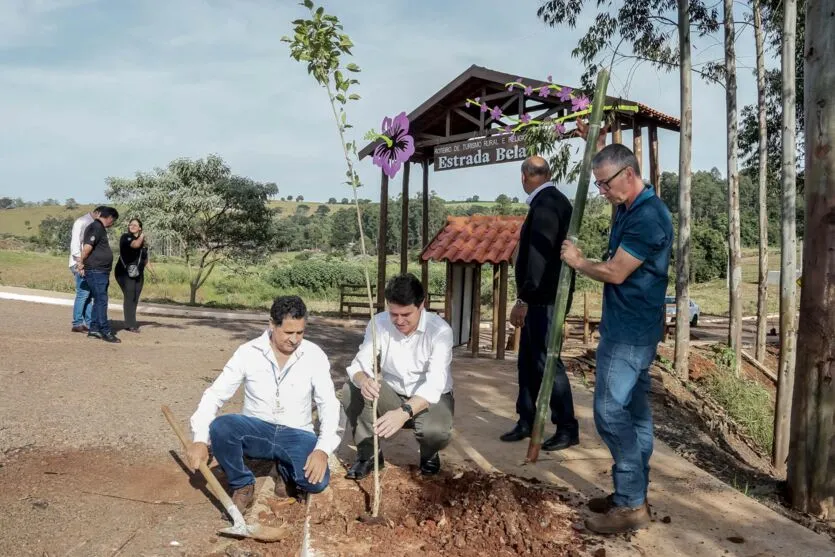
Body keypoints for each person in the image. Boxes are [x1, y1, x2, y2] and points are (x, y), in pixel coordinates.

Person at [560, 119, 673, 534]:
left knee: (608, 412)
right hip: (632, 327)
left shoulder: (648, 217)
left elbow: (616, 272)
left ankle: (630, 504)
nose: (601, 191)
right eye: (598, 184)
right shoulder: (629, 207)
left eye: (604, 183)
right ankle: (634, 493)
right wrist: (595, 137)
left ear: (629, 175)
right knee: (636, 413)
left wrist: (578, 262)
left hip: (629, 332)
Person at [187, 296, 340, 514]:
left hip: (296, 433)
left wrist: (322, 450)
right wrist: (200, 440)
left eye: (300, 332)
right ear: (272, 324)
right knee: (221, 427)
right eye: (288, 333)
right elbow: (215, 395)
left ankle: (284, 470)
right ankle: (242, 483)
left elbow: (329, 404)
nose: (295, 339)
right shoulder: (248, 352)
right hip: (257, 431)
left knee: (316, 483)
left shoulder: (314, 355)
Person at [500, 155, 579, 452]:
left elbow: (537, 259)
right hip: (544, 298)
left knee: (547, 362)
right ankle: (527, 418)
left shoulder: (546, 205)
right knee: (527, 361)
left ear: (524, 176)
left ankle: (567, 425)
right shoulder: (554, 200)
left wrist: (524, 299)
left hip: (544, 300)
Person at [342, 273, 454, 478]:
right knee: (351, 390)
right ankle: (369, 455)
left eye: (406, 314)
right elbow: (359, 363)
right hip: (392, 395)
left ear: (421, 305)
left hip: (429, 400)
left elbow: (435, 384)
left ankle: (429, 453)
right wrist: (363, 380)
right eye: (394, 314)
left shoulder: (440, 331)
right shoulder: (379, 324)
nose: (399, 321)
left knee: (436, 433)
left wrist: (403, 412)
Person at [77, 206, 120, 343]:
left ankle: (94, 329)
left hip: (100, 271)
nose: (112, 224)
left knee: (98, 300)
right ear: (109, 218)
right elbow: (87, 247)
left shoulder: (99, 228)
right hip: (96, 271)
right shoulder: (95, 227)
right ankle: (105, 330)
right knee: (102, 300)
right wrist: (81, 262)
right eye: (113, 221)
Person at [68, 206, 104, 332]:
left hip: (87, 264)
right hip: (79, 263)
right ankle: (77, 322)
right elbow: (75, 244)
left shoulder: (93, 223)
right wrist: (80, 263)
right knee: (83, 294)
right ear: (98, 213)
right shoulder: (81, 222)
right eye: (103, 217)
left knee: (88, 295)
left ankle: (88, 323)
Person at [115, 218, 149, 332]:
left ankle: (131, 321)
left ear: (140, 227)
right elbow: (135, 245)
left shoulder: (142, 242)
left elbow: (145, 259)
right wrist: (142, 235)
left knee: (135, 297)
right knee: (129, 296)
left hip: (138, 273)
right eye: (131, 224)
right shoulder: (126, 237)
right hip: (124, 273)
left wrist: (153, 273)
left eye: (135, 225)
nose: (132, 226)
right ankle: (130, 324)